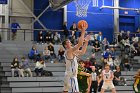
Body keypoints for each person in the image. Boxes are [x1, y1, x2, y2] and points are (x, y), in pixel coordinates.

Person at [62, 25, 90, 93]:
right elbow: (80, 44)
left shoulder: (72, 51)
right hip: (71, 75)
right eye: (68, 42)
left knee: (65, 91)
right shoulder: (69, 51)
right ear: (65, 45)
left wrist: (86, 42)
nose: (70, 42)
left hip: (68, 74)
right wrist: (83, 31)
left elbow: (82, 52)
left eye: (69, 41)